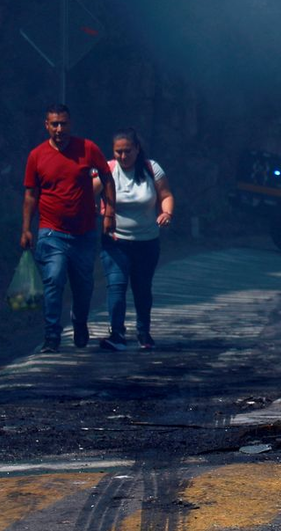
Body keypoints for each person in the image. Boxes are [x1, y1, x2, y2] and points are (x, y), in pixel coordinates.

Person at [21, 103, 116, 353]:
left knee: (83, 285)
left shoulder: (87, 148)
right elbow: (30, 194)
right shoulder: (37, 155)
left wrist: (109, 213)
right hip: (51, 231)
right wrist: (26, 228)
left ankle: (79, 321)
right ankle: (51, 335)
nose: (59, 129)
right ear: (47, 125)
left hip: (84, 232)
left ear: (70, 124)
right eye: (54, 124)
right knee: (53, 279)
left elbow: (107, 178)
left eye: (63, 123)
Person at [97, 127, 174, 351]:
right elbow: (85, 193)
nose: (123, 156)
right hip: (115, 241)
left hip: (147, 242)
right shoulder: (108, 169)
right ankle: (117, 334)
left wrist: (166, 213)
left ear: (137, 149)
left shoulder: (152, 168)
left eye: (127, 151)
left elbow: (166, 195)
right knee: (116, 286)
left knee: (142, 287)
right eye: (118, 152)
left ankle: (143, 332)